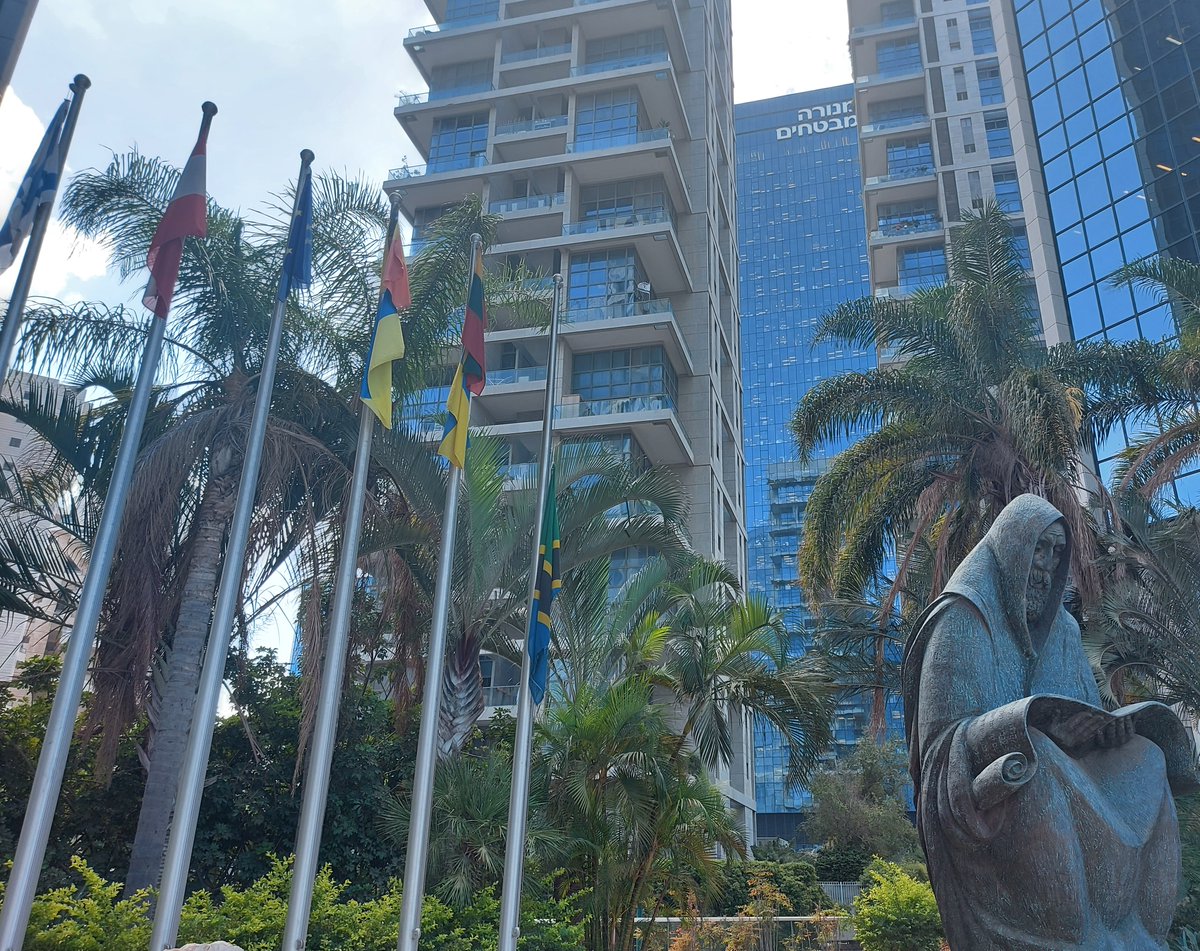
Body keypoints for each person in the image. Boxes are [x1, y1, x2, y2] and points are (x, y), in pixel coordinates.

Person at [902, 494, 1197, 950]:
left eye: (1056, 553)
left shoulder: (1062, 629)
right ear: (1011, 548)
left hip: (1071, 773)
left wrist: (1107, 731)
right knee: (1033, 754)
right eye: (1038, 549)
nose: (1045, 564)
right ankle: (1065, 934)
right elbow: (941, 749)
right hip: (998, 794)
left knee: (1147, 757)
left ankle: (1140, 933)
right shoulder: (961, 617)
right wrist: (1023, 725)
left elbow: (1083, 712)